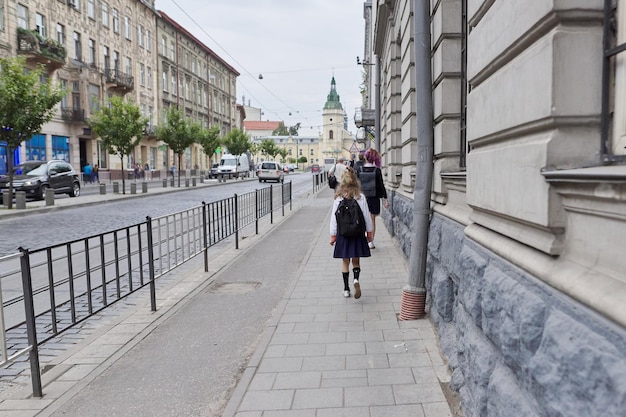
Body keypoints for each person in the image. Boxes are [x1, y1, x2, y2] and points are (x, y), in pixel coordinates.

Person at [330, 167, 374, 299]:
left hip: (343, 234)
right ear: (355, 182)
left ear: (342, 183)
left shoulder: (338, 198)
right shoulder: (360, 197)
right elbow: (367, 216)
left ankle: (346, 289)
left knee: (345, 262)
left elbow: (333, 218)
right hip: (357, 233)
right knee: (356, 260)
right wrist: (369, 234)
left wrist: (333, 236)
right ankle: (356, 279)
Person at [360, 148, 389, 249]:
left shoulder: (360, 170)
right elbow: (381, 185)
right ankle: (371, 242)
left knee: (363, 219)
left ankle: (363, 240)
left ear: (366, 157)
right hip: (374, 197)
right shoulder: (377, 171)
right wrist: (385, 198)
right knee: (372, 220)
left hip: (362, 197)